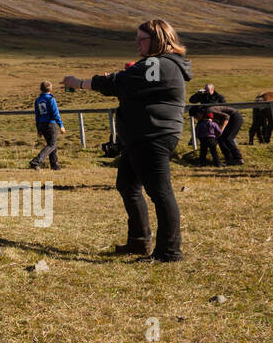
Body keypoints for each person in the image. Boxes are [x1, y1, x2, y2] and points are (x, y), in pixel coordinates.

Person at [65, 18, 191, 263]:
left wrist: (80, 83)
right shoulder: (157, 65)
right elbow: (130, 84)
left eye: (141, 39)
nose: (137, 43)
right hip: (142, 136)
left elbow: (121, 82)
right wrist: (119, 80)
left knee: (161, 193)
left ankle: (169, 252)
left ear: (157, 40)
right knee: (127, 184)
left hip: (154, 135)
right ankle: (139, 241)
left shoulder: (157, 63)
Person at [31, 81, 65, 170]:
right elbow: (55, 113)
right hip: (50, 124)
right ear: (50, 89)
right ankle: (36, 161)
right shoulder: (50, 99)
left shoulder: (38, 100)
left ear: (41, 89)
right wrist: (61, 125)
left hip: (42, 124)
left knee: (52, 144)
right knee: (52, 144)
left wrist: (38, 129)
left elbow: (37, 115)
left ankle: (54, 165)